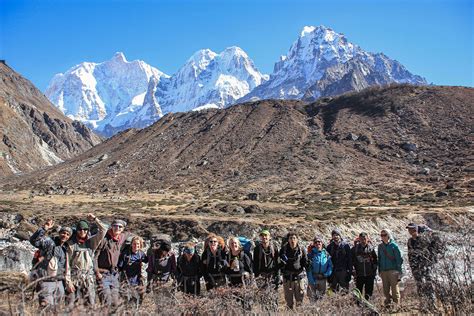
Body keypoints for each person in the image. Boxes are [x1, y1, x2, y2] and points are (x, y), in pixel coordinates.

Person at [30, 219, 73, 308]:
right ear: (59, 233)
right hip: (46, 281)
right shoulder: (49, 242)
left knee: (56, 309)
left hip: (59, 282)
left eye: (67, 234)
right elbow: (34, 241)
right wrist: (44, 228)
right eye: (63, 233)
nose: (65, 235)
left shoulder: (65, 248)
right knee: (46, 308)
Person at [67, 213, 107, 307]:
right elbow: (67, 264)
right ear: (76, 231)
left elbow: (104, 230)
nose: (82, 231)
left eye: (85, 229)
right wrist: (68, 281)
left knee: (90, 304)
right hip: (74, 277)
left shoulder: (91, 242)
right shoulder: (71, 244)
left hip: (88, 278)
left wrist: (95, 219)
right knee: (72, 305)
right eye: (80, 229)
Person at [95, 219, 131, 309]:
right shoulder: (104, 239)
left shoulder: (121, 238)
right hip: (103, 274)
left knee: (115, 302)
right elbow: (95, 256)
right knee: (106, 301)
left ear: (123, 229)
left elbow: (131, 235)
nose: (117, 228)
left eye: (120, 227)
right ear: (112, 227)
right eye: (115, 226)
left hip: (114, 274)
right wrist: (96, 272)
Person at [406, 223, 437, 311]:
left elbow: (429, 252)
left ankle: (432, 304)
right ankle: (423, 305)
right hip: (416, 268)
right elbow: (410, 255)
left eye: (411, 229)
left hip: (426, 266)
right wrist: (412, 267)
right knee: (420, 286)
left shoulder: (423, 239)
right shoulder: (409, 241)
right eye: (409, 229)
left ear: (415, 229)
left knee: (429, 285)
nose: (410, 231)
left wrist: (428, 263)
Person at [279, 231, 308, 309]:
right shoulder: (283, 250)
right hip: (287, 280)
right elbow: (279, 265)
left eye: (294, 238)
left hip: (299, 279)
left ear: (297, 239)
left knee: (299, 303)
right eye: (290, 238)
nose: (292, 240)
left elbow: (305, 264)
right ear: (288, 240)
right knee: (289, 303)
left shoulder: (301, 250)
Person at [118, 236, 148, 305]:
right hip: (126, 282)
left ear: (140, 245)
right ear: (131, 244)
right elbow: (119, 267)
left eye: (138, 244)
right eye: (134, 244)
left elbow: (147, 261)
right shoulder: (125, 254)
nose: (136, 246)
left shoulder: (141, 254)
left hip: (137, 282)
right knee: (126, 302)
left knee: (137, 301)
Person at [378, 228, 403, 308]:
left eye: (384, 235)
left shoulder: (394, 246)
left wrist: (399, 271)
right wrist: (380, 270)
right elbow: (379, 258)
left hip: (393, 270)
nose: (383, 237)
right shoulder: (380, 247)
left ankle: (396, 305)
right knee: (385, 290)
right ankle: (388, 304)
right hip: (384, 271)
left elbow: (399, 259)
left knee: (395, 289)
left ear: (388, 235)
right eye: (382, 235)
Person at [351, 232, 378, 301]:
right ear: (359, 239)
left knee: (368, 293)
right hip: (359, 275)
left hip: (370, 274)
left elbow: (375, 260)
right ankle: (357, 307)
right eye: (361, 239)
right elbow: (351, 260)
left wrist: (374, 271)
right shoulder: (354, 249)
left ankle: (367, 307)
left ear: (367, 239)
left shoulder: (371, 248)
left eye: (364, 239)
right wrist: (353, 271)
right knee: (358, 293)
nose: (363, 241)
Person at [307, 236, 332, 302]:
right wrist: (311, 280)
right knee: (312, 299)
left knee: (321, 299)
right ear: (314, 244)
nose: (318, 243)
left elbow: (330, 266)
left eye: (319, 242)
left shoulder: (326, 254)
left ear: (322, 243)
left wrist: (326, 274)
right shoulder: (311, 254)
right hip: (313, 279)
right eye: (316, 242)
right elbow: (308, 268)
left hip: (323, 279)